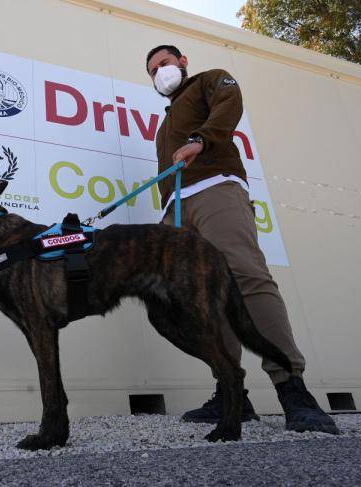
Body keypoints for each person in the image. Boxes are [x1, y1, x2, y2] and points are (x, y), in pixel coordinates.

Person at [146, 44, 338, 434]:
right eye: (152, 71)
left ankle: (293, 390)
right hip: (177, 209)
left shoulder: (210, 80)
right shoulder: (164, 123)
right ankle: (233, 394)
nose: (159, 73)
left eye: (164, 64)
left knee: (246, 277)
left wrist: (201, 138)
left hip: (216, 188)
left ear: (182, 62)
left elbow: (230, 101)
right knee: (194, 299)